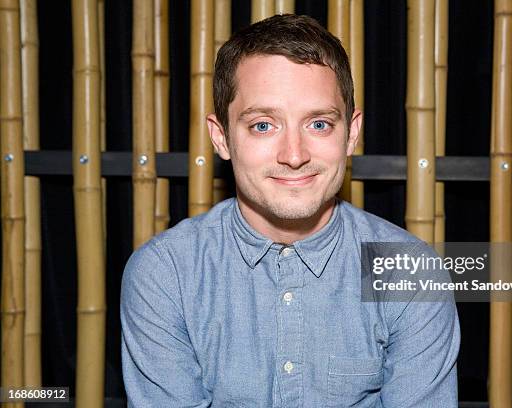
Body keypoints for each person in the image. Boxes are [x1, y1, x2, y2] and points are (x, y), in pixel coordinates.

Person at [120, 14, 460, 407]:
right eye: (263, 126)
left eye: (318, 124)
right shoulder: (166, 274)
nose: (294, 155)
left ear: (351, 133)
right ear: (222, 138)